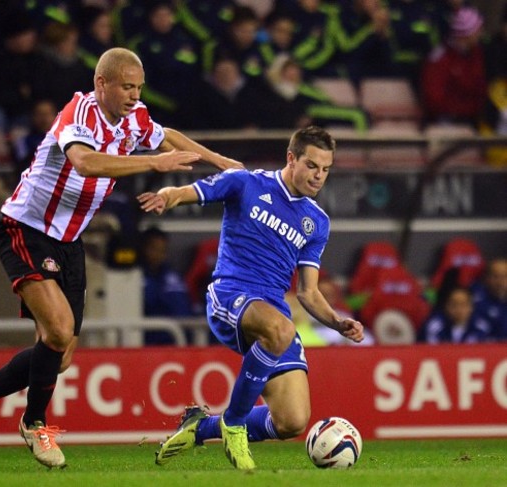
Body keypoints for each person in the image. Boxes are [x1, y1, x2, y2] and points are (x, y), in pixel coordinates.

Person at [0, 47, 243, 469]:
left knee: (61, 352)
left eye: (138, 88)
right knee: (59, 329)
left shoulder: (134, 118)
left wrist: (216, 161)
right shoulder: (78, 113)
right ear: (101, 83)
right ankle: (34, 424)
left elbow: (167, 134)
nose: (133, 95)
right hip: (26, 228)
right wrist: (152, 162)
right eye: (126, 86)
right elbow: (84, 163)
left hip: (70, 242)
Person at [138, 126, 364, 470]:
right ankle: (235, 422)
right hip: (231, 293)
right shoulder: (246, 183)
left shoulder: (317, 221)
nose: (319, 176)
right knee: (282, 329)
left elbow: (307, 291)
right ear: (291, 158)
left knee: (292, 421)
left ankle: (202, 426)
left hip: (272, 312)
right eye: (312, 165)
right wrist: (169, 194)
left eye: (326, 169)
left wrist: (337, 321)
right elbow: (192, 191)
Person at [139, 226, 193, 344]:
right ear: (144, 248)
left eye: (162, 250)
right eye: (154, 249)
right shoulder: (132, 278)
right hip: (146, 344)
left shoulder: (174, 278)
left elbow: (183, 311)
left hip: (178, 343)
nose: (158, 255)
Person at [417, 285, 492, 344]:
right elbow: (431, 352)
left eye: (463, 305)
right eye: (454, 305)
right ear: (446, 306)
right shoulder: (434, 326)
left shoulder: (481, 327)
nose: (459, 310)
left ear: (471, 307)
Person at [471, 258, 507, 340]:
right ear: (487, 278)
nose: (500, 282)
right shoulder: (475, 301)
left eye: (505, 276)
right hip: (484, 348)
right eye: (496, 276)